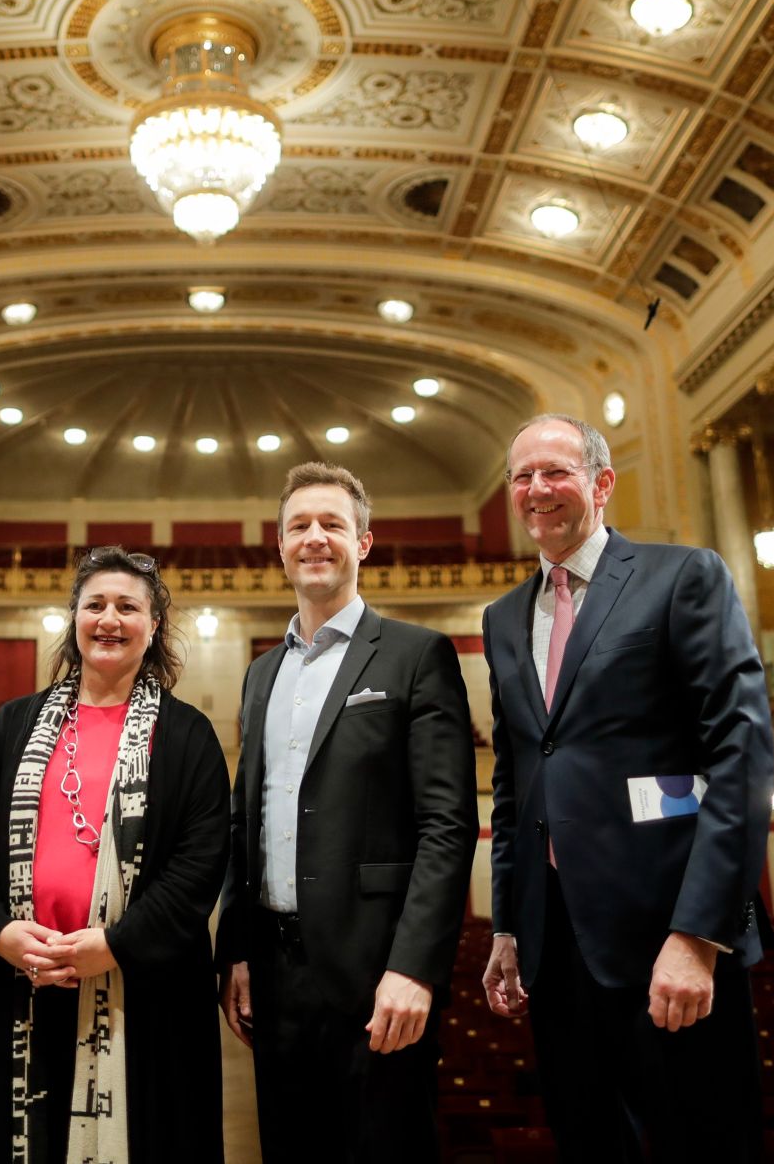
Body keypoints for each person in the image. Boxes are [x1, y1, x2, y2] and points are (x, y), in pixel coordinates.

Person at [479, 414, 774, 1162]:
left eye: (555, 471)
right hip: (557, 949)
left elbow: (737, 758)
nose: (537, 489)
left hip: (668, 938)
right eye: (522, 477)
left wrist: (698, 934)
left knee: (702, 1145)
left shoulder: (683, 576)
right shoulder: (503, 617)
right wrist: (511, 924)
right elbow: (517, 780)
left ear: (602, 483)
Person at [216, 462, 479, 1162]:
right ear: (279, 547)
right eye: (298, 526)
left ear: (363, 543)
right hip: (273, 976)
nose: (314, 538)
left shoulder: (416, 655)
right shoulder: (261, 674)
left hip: (376, 973)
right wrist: (236, 950)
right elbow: (248, 820)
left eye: (332, 524)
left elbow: (447, 826)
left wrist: (415, 969)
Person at [0, 546, 230, 1164]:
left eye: (129, 607)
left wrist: (114, 946)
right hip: (17, 982)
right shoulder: (12, 724)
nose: (110, 619)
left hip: (146, 995)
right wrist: (1, 934)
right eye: (94, 604)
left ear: (154, 627)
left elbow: (198, 866)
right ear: (72, 618)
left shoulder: (188, 736)